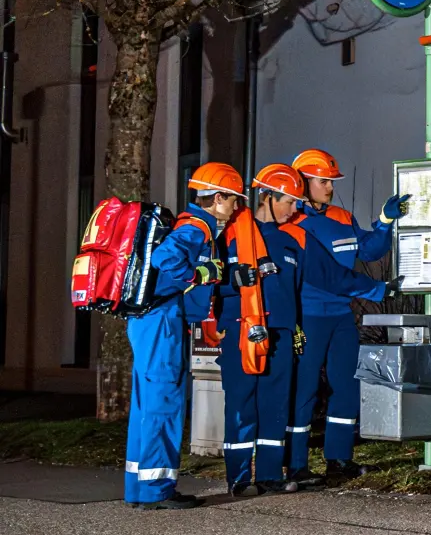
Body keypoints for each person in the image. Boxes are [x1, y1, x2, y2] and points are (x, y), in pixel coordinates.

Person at [218, 164, 399, 497]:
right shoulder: (234, 233)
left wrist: (379, 289)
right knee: (242, 404)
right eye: (288, 201)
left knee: (275, 405)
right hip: (242, 330)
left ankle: (272, 474)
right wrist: (229, 289)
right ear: (267, 198)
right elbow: (213, 280)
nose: (293, 208)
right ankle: (240, 479)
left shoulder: (296, 237)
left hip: (283, 332)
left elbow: (333, 275)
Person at [287, 148, 410, 484]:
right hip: (308, 315)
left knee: (347, 387)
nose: (330, 187)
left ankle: (338, 459)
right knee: (305, 390)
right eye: (323, 181)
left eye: (331, 181)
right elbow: (326, 275)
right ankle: (296, 463)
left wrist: (384, 222)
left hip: (341, 315)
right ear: (302, 183)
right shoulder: (293, 224)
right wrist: (377, 290)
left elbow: (367, 251)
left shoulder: (342, 217)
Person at [123, 162, 243, 510]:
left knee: (146, 403)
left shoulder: (187, 223)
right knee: (165, 401)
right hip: (162, 318)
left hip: (146, 318)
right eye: (233, 200)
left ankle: (139, 487)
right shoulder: (197, 227)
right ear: (217, 198)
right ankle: (158, 490)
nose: (236, 207)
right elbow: (165, 258)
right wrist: (201, 272)